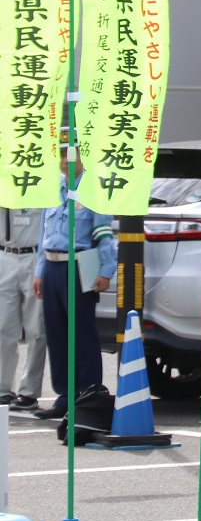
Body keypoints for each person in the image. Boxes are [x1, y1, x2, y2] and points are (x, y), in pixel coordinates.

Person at [32, 130, 116, 420]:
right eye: (61, 155)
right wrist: (40, 271)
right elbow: (45, 232)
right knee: (56, 333)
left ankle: (87, 392)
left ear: (83, 156)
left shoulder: (92, 188)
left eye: (72, 154)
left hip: (82, 263)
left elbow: (104, 234)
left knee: (81, 332)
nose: (66, 161)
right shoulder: (52, 189)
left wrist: (106, 271)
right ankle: (65, 395)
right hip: (53, 265)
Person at [0, 203, 46, 412]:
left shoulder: (45, 183)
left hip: (34, 255)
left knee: (36, 329)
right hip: (5, 254)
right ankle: (2, 388)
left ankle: (29, 391)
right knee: (3, 327)